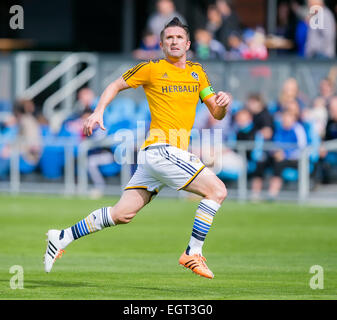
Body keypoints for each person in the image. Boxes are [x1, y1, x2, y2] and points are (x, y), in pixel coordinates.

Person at [44, 17, 232, 279]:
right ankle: (193, 252)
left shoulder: (197, 73)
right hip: (162, 149)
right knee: (217, 190)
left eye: (179, 38)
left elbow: (217, 112)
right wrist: (98, 112)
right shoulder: (151, 69)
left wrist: (223, 102)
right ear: (162, 43)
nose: (174, 41)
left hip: (161, 157)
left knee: (121, 214)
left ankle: (62, 236)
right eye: (169, 38)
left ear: (188, 44)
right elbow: (115, 85)